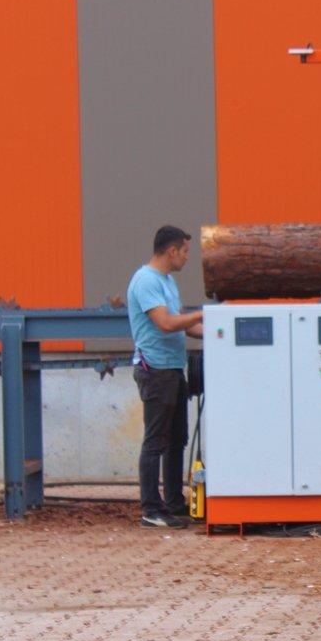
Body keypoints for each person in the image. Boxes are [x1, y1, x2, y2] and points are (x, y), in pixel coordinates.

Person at [126, 225, 204, 529]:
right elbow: (166, 323)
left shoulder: (167, 282)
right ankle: (151, 508)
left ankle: (173, 502)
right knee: (156, 440)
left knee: (176, 439)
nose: (186, 258)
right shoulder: (146, 281)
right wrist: (202, 314)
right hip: (155, 371)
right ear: (171, 251)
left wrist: (219, 332)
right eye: (184, 252)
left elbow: (183, 325)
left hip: (173, 368)